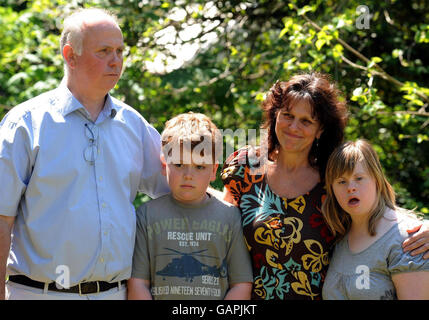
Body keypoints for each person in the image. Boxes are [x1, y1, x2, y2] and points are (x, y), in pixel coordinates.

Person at [0, 8, 169, 300]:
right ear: (70, 55)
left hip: (116, 294)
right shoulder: (26, 124)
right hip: (39, 294)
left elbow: (180, 189)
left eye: (119, 51)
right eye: (104, 51)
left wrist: (238, 193)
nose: (116, 61)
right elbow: (2, 219)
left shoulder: (133, 125)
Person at [221, 72, 429, 300]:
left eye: (306, 121)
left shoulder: (333, 175)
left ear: (320, 129)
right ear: (275, 116)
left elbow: (374, 206)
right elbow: (218, 221)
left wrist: (421, 227)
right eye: (287, 115)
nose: (293, 127)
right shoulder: (245, 168)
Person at [128, 112, 253, 300]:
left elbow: (241, 284)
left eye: (200, 167)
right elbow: (137, 283)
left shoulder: (230, 216)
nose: (188, 174)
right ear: (164, 165)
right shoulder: (146, 215)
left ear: (213, 171)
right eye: (179, 164)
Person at [321, 139, 429, 299]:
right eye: (341, 181)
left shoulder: (408, 239)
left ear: (377, 180)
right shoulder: (337, 237)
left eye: (359, 178)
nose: (350, 187)